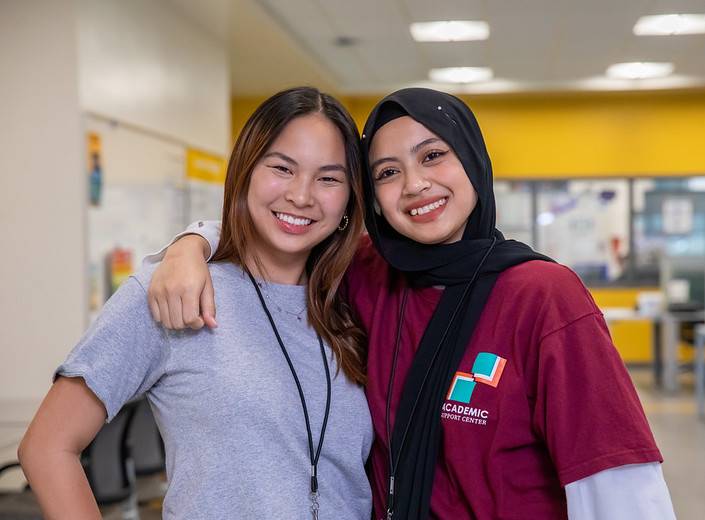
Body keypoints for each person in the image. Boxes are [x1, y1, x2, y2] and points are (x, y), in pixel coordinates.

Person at [146, 88, 675, 519]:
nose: (415, 184)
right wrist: (191, 245)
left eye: (433, 156)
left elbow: (616, 481)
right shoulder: (366, 276)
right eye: (387, 172)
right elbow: (278, 231)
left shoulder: (542, 295)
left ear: (471, 158)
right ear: (369, 196)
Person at [18, 87, 374, 519]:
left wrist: (196, 239)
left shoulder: (353, 298)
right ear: (245, 172)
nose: (302, 195)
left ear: (349, 200)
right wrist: (192, 244)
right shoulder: (178, 289)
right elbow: (47, 446)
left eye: (329, 178)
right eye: (282, 168)